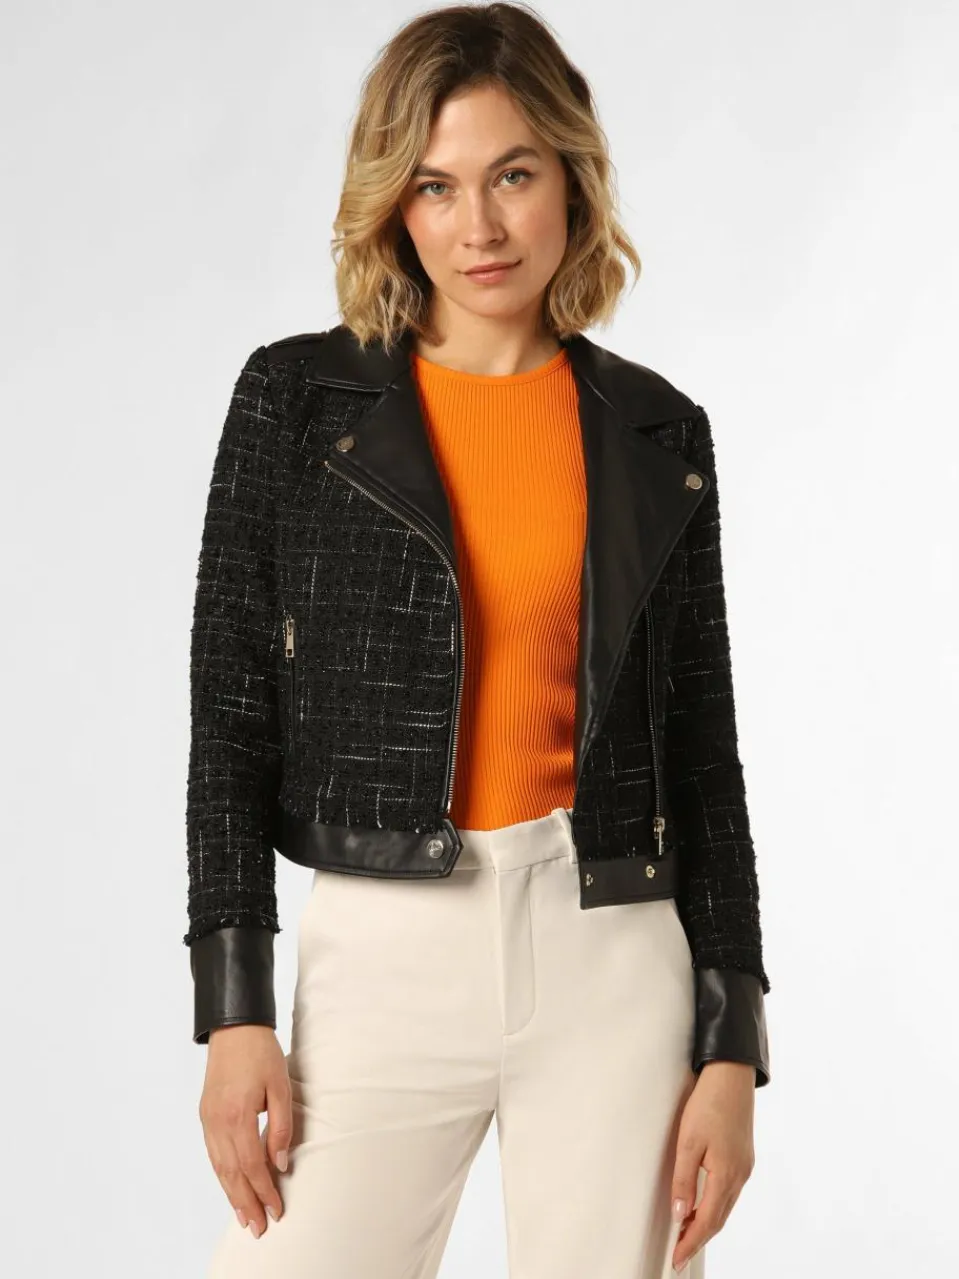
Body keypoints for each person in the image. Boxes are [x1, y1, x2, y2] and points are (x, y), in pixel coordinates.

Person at [184, 5, 771, 1276]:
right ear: (393, 204)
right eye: (435, 186)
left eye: (512, 175)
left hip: (610, 949)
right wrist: (232, 1008)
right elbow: (228, 717)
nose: (479, 227)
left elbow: (700, 749)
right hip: (383, 952)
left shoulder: (656, 434)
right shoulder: (295, 402)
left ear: (570, 176)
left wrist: (732, 1045)